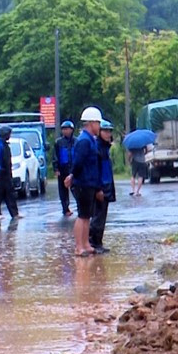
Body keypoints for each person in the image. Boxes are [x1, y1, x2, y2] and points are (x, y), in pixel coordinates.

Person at [65, 107, 103, 257]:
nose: (99, 127)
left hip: (90, 182)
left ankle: (86, 244)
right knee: (82, 215)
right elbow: (78, 162)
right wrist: (73, 176)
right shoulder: (84, 141)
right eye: (98, 123)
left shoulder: (90, 140)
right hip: (83, 183)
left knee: (87, 215)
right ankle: (79, 246)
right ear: (91, 123)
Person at [91, 120, 116, 253]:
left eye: (109, 131)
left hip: (107, 185)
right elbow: (96, 171)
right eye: (105, 131)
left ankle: (99, 242)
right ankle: (93, 242)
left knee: (103, 216)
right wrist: (98, 188)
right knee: (97, 216)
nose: (108, 134)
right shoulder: (97, 147)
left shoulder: (106, 147)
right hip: (100, 186)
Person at [0, 125, 21, 221]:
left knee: (10, 193)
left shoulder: (6, 145)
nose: (10, 136)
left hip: (7, 174)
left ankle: (14, 213)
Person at [53, 120, 77, 216]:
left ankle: (81, 206)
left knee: (76, 189)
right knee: (63, 191)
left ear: (71, 130)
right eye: (63, 129)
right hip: (63, 169)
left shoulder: (76, 141)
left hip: (74, 169)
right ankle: (65, 209)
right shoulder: (59, 142)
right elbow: (55, 156)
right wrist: (56, 169)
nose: (65, 131)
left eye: (67, 129)